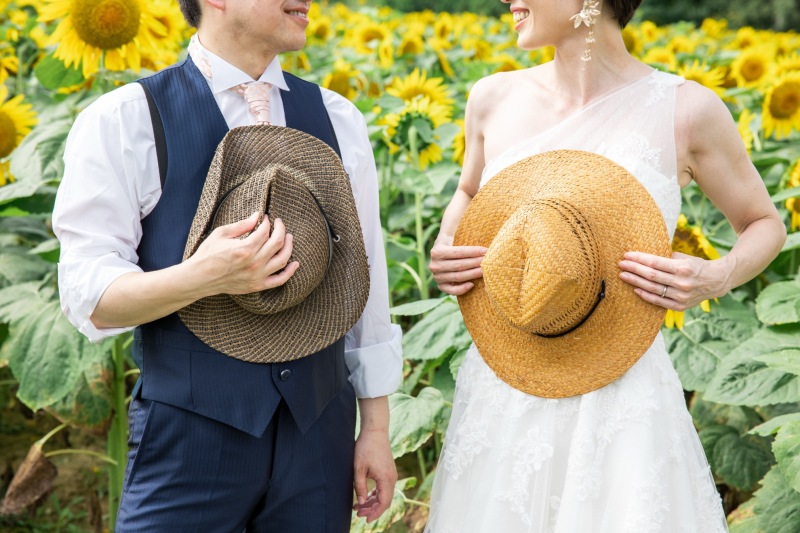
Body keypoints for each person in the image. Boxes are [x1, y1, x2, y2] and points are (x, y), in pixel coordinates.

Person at [426, 0, 786, 531]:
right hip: (507, 376)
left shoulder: (685, 110)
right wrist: (447, 242)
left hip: (622, 391)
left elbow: (764, 223)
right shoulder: (491, 98)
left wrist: (717, 275)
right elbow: (470, 189)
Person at [52, 0, 402, 530]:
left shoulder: (339, 118)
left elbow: (365, 285)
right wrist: (204, 275)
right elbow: (90, 298)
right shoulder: (125, 118)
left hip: (319, 437)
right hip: (189, 441)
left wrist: (374, 429)